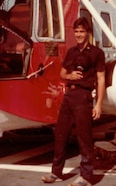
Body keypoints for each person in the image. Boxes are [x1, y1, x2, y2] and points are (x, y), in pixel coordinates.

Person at [42, 17, 106, 186]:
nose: (78, 34)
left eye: (82, 31)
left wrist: (98, 104)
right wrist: (69, 76)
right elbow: (62, 73)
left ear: (88, 33)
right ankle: (56, 172)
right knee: (60, 134)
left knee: (84, 137)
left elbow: (101, 79)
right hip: (69, 97)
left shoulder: (96, 53)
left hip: (83, 97)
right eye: (76, 31)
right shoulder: (71, 52)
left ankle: (86, 177)